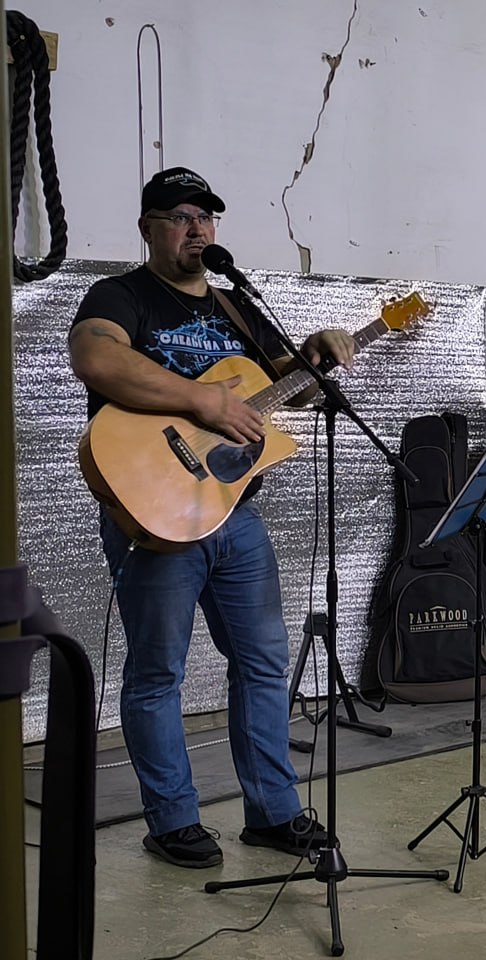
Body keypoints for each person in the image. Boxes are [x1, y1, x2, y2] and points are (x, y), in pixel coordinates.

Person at [69, 167, 355, 868]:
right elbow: (95, 358)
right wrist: (199, 403)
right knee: (157, 673)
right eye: (179, 216)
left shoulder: (235, 308)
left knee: (261, 663)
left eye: (206, 216)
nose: (196, 228)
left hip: (234, 515)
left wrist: (314, 358)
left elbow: (273, 391)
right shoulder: (122, 295)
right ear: (148, 228)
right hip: (156, 509)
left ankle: (274, 814)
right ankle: (173, 821)